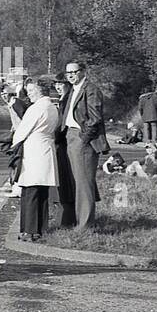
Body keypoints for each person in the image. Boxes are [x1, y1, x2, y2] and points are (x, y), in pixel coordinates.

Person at [55, 61, 108, 229]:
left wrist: (84, 138)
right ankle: (75, 220)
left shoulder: (91, 89)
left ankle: (85, 225)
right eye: (68, 73)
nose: (70, 75)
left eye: (74, 72)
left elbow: (95, 118)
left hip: (81, 138)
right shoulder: (72, 89)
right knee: (74, 182)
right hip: (69, 136)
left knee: (83, 183)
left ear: (83, 72)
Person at [12, 81, 60, 241]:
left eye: (32, 90)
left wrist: (12, 145)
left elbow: (22, 131)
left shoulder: (36, 108)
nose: (29, 93)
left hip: (33, 150)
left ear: (40, 90)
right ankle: (41, 229)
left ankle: (29, 230)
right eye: (28, 90)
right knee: (42, 192)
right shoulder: (52, 107)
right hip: (46, 149)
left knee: (30, 192)